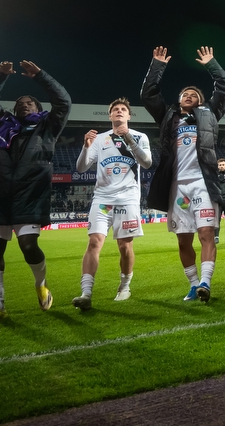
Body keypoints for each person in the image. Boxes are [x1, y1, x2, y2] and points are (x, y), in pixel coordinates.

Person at [0, 60, 71, 324]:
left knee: (28, 245)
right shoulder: (0, 124)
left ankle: (41, 284)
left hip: (31, 194)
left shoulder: (48, 126)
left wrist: (40, 75)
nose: (24, 104)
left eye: (30, 103)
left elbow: (63, 101)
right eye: (20, 103)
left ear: (38, 108)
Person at [141, 46, 225, 303]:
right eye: (185, 94)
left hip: (203, 183)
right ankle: (193, 285)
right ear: (179, 100)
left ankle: (205, 282)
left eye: (194, 94)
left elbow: (224, 89)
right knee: (183, 240)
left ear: (200, 101)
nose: (189, 96)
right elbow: (148, 95)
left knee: (206, 234)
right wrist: (157, 67)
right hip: (177, 185)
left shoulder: (209, 114)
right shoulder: (168, 116)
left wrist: (212, 64)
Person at [71, 97, 153, 310]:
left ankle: (124, 287)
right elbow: (81, 168)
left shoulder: (140, 136)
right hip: (102, 199)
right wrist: (86, 147)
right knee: (94, 242)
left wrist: (128, 138)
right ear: (110, 115)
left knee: (124, 246)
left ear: (129, 115)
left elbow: (147, 163)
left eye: (123, 109)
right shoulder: (99, 139)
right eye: (115, 109)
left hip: (127, 199)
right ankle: (86, 293)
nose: (119, 111)